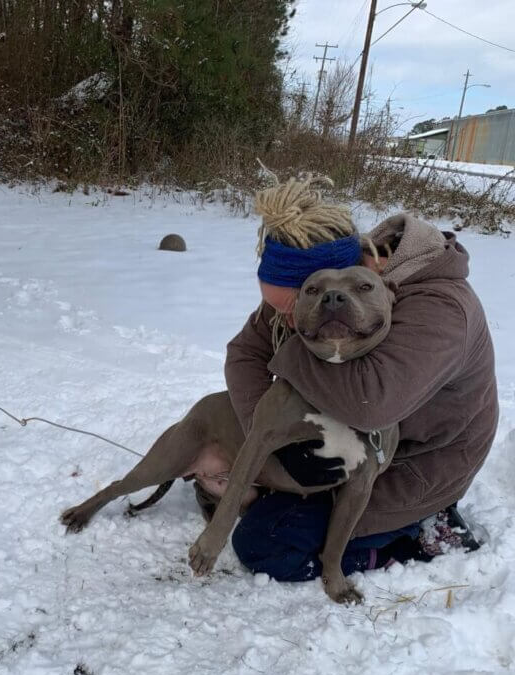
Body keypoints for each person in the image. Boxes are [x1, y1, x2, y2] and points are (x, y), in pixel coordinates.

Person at [210, 175, 498, 582]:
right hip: (341, 439)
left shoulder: (441, 308)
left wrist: (291, 351)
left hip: (415, 463)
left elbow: (372, 401)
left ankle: (419, 534)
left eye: (290, 312)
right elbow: (245, 352)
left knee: (265, 542)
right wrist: (268, 432)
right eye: (277, 311)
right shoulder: (310, 293)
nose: (285, 324)